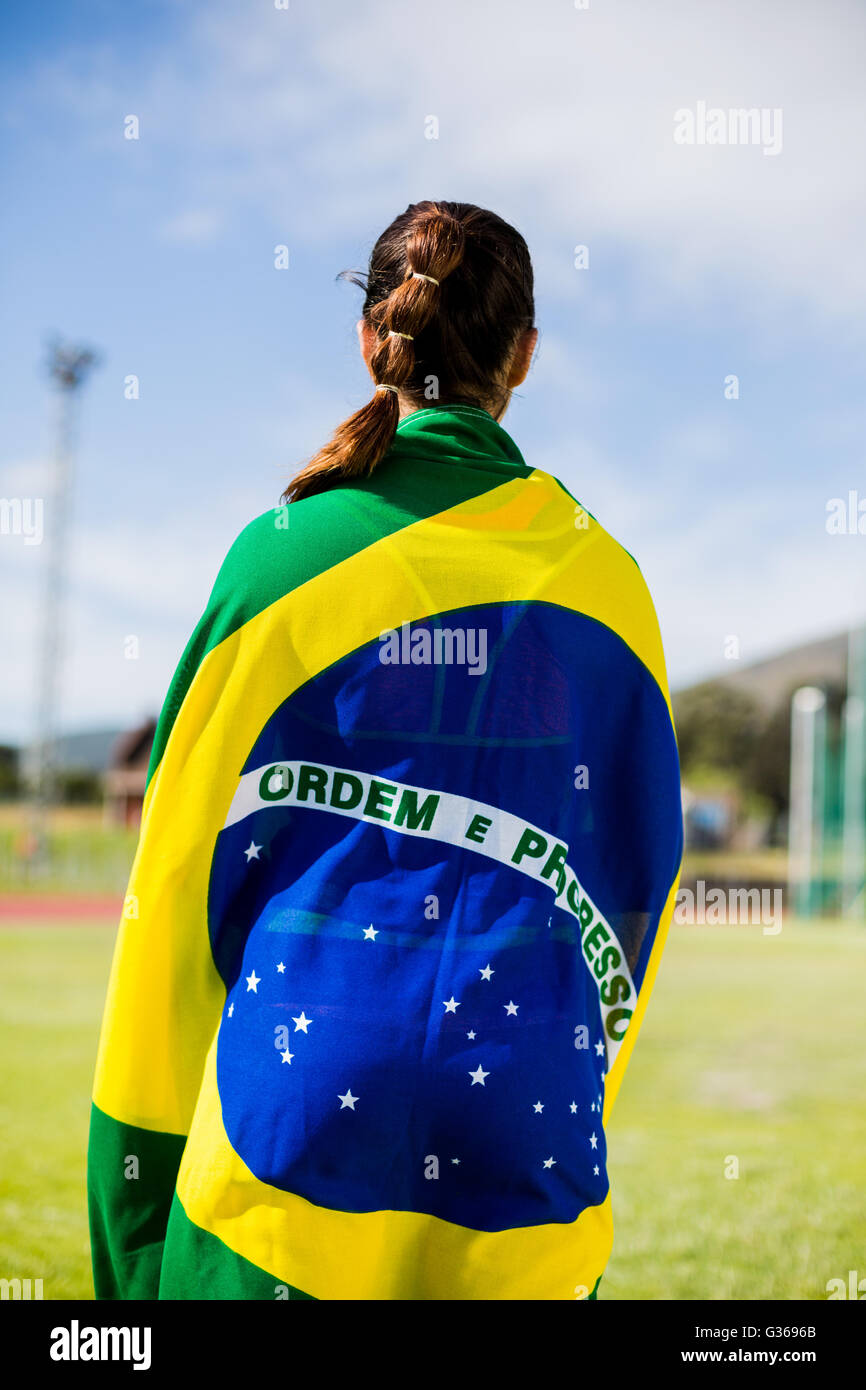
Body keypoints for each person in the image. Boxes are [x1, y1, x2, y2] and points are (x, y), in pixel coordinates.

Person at [88, 200, 683, 1301]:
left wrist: (129, 1214)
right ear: (524, 357)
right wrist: (555, 1083)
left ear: (372, 339)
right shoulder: (613, 584)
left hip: (291, 1105)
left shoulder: (278, 557)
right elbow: (637, 891)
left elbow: (171, 889)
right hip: (528, 1109)